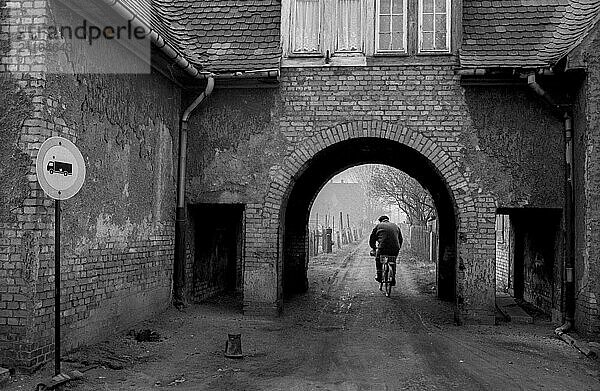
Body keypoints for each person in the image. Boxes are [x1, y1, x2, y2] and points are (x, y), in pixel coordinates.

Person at [369, 215, 403, 285]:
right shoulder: (395, 226)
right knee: (392, 260)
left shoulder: (378, 226)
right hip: (395, 248)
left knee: (378, 259)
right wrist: (398, 247)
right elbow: (400, 239)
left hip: (383, 248)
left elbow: (372, 238)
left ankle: (379, 275)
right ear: (388, 219)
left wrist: (374, 248)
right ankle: (393, 277)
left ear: (380, 221)